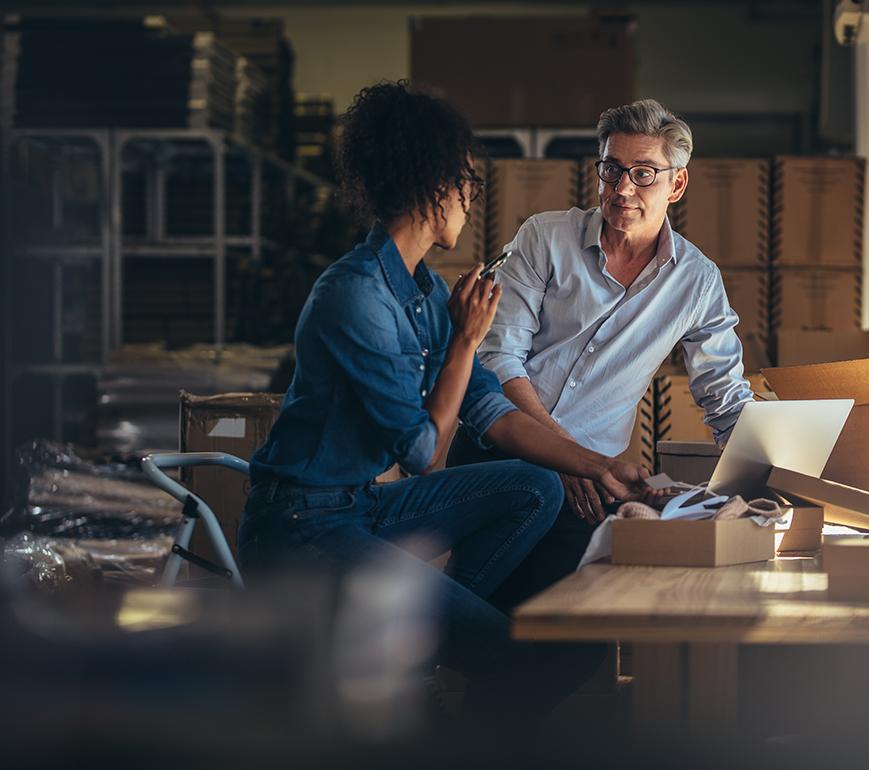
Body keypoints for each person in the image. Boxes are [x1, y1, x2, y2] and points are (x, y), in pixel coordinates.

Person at [237, 81, 655, 721]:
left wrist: (599, 467)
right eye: (468, 181)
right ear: (436, 186)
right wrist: (465, 342)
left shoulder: (421, 289)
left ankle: (418, 645)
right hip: (301, 527)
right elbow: (423, 454)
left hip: (360, 506)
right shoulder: (355, 297)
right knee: (513, 655)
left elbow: (490, 408)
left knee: (536, 487)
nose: (470, 197)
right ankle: (432, 646)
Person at [449, 98, 754, 611]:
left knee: (573, 637)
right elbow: (497, 358)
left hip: (594, 491)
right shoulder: (545, 238)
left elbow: (724, 397)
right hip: (498, 452)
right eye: (611, 170)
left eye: (643, 173)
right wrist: (568, 455)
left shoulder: (697, 282)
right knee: (480, 618)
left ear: (676, 185)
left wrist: (771, 472)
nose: (622, 189)